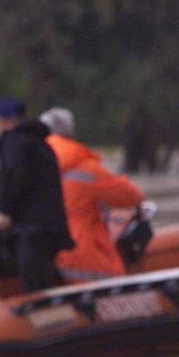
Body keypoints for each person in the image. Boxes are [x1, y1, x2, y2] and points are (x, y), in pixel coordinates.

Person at [40, 107, 146, 282]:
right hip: (81, 261)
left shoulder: (30, 166)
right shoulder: (84, 167)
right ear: (70, 132)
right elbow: (132, 195)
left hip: (42, 258)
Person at [0, 97, 73, 292]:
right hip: (48, 229)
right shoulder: (40, 142)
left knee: (35, 288)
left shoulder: (14, 141)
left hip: (30, 232)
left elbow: (15, 176)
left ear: (2, 120)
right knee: (45, 282)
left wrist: (5, 211)